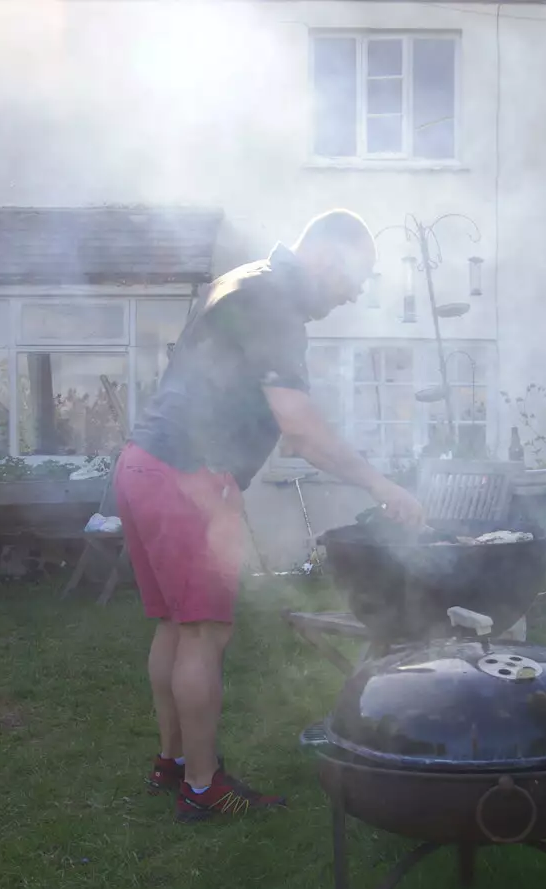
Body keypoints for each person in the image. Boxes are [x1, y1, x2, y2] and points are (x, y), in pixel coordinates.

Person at [113, 209, 426, 824]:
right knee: (205, 633)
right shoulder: (275, 302)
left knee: (176, 627)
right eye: (354, 280)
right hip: (189, 477)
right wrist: (380, 483)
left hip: (144, 465)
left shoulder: (241, 280)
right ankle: (203, 789)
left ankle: (172, 764)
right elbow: (301, 429)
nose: (354, 294)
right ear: (329, 258)